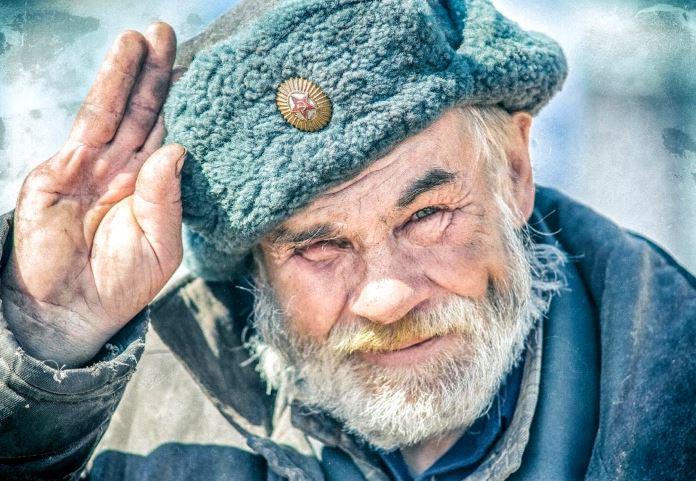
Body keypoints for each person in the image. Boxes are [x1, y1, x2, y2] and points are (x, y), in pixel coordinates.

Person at [0, 1, 694, 480]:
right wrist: (47, 340)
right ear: (256, 269)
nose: (387, 297)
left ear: (514, 171)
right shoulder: (131, 407)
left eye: (427, 215)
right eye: (318, 247)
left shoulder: (677, 375)